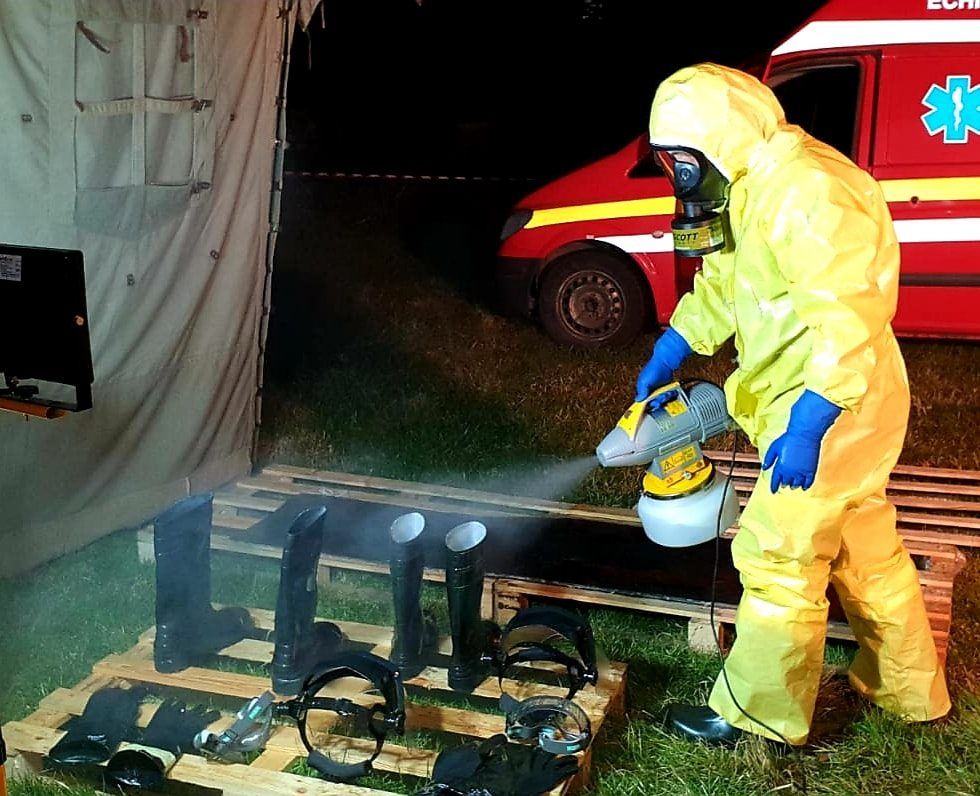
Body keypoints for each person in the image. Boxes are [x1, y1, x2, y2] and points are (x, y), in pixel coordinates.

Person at [635, 63, 950, 746]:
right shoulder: (750, 184)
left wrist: (811, 422)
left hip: (834, 407)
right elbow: (727, 282)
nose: (677, 176)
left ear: (715, 139)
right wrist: (677, 341)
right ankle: (909, 690)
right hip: (830, 402)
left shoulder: (809, 192)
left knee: (777, 557)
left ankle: (757, 715)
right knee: (865, 551)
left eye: (680, 160)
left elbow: (847, 318)